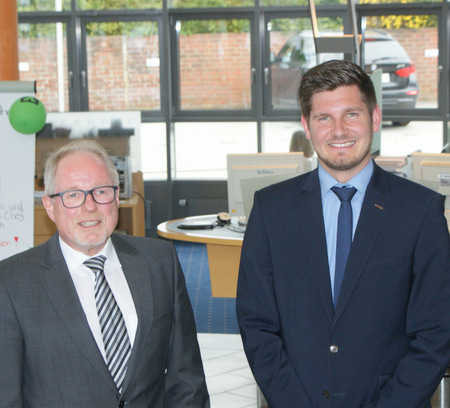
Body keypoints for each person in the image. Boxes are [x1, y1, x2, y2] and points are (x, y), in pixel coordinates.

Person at [236, 59, 450, 408]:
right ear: (306, 125)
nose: (339, 131)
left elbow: (436, 332)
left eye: (351, 114)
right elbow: (257, 324)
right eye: (324, 118)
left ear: (375, 118)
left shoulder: (421, 211)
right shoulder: (271, 210)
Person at [0, 139, 210, 408]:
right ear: (50, 206)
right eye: (73, 195)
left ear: (117, 196)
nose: (90, 206)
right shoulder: (11, 282)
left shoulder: (160, 262)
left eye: (101, 191)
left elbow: (187, 378)